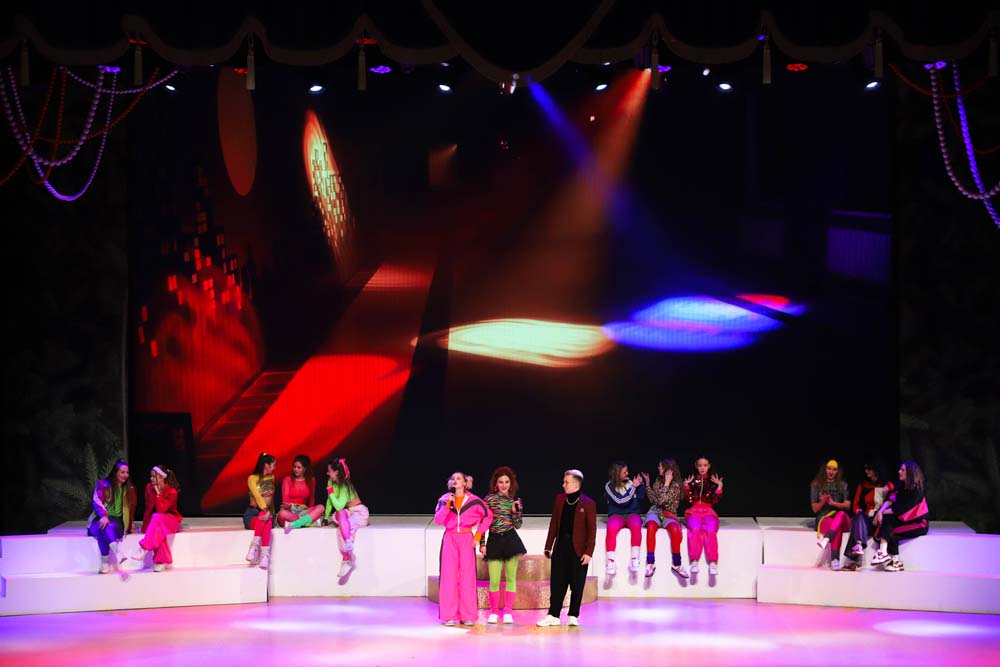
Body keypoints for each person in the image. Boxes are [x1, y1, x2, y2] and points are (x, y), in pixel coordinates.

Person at [537, 469, 596, 628]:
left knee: (577, 584)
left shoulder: (588, 503)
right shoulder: (559, 499)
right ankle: (553, 615)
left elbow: (592, 531)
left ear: (576, 484)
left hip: (578, 550)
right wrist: (548, 546)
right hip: (561, 547)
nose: (563, 485)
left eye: (566, 482)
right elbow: (554, 524)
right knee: (557, 583)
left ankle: (573, 615)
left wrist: (588, 552)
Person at [434, 472, 492, 626]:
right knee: (448, 576)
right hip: (450, 538)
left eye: (458, 478)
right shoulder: (444, 499)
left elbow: (488, 516)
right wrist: (448, 505)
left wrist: (478, 535)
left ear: (465, 483)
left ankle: (468, 615)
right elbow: (438, 520)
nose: (455, 480)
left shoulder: (474, 501)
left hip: (466, 538)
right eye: (453, 479)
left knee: (468, 577)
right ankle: (449, 615)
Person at [480, 466, 526, 624]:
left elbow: (518, 525)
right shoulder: (488, 500)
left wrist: (515, 511)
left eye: (507, 482)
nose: (504, 485)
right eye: (501, 482)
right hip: (494, 541)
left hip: (511, 540)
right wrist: (482, 543)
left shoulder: (515, 500)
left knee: (511, 578)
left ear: (511, 483)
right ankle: (494, 611)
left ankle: (507, 611)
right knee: (494, 580)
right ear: (496, 484)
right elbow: (483, 523)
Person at [872, 461, 929, 572]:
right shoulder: (901, 485)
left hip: (918, 524)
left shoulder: (917, 491)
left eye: (902, 470)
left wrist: (882, 513)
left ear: (910, 473)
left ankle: (890, 557)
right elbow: (891, 499)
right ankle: (890, 557)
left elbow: (900, 509)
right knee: (887, 525)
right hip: (904, 521)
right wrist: (880, 512)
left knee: (890, 532)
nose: (899, 472)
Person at [124, 466, 182, 571]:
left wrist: (158, 494)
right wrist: (145, 525)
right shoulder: (149, 488)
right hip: (156, 521)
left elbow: (161, 510)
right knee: (158, 530)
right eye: (151, 476)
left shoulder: (172, 491)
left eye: (153, 476)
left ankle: (144, 547)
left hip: (171, 520)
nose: (151, 478)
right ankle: (161, 561)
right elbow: (149, 507)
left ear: (161, 478)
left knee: (157, 517)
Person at [842, 461, 894, 570]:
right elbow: (855, 505)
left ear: (876, 469)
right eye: (865, 468)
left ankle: (853, 560)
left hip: (881, 520)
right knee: (858, 517)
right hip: (867, 520)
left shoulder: (888, 485)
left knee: (857, 525)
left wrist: (881, 513)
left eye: (869, 468)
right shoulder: (863, 485)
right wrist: (857, 510)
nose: (866, 471)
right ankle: (859, 545)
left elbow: (893, 503)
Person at [88, 459, 137, 574]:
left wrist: (130, 524)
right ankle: (117, 552)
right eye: (122, 472)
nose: (125, 475)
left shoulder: (129, 489)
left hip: (117, 521)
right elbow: (97, 501)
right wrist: (104, 516)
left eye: (127, 472)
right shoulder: (103, 484)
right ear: (115, 472)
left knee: (104, 528)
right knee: (101, 526)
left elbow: (132, 508)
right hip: (100, 518)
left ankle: (104, 563)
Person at [323, 458, 370, 577]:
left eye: (329, 471)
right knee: (340, 515)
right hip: (349, 512)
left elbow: (338, 506)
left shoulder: (345, 486)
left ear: (336, 472)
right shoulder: (332, 482)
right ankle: (348, 541)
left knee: (341, 529)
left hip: (359, 513)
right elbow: (330, 502)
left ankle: (346, 559)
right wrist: (326, 517)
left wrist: (330, 492)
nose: (327, 473)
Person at [644, 458, 687, 578]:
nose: (658, 468)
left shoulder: (676, 485)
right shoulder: (658, 480)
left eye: (660, 466)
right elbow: (654, 500)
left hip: (669, 513)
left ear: (667, 468)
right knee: (651, 526)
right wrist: (647, 484)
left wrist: (667, 484)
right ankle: (650, 563)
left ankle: (677, 564)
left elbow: (661, 501)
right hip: (655, 512)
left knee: (674, 529)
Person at [603, 461, 647, 575]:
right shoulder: (609, 486)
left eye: (627, 471)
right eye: (624, 472)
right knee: (611, 527)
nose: (627, 473)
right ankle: (611, 561)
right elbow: (620, 501)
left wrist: (641, 485)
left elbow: (640, 497)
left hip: (632, 513)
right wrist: (633, 487)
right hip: (617, 514)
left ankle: (634, 559)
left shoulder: (631, 482)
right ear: (617, 473)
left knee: (636, 525)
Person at [684, 456, 723, 575]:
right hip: (694, 511)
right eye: (700, 465)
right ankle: (694, 561)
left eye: (705, 465)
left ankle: (713, 562)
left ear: (709, 466)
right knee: (695, 528)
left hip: (708, 512)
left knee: (710, 529)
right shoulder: (692, 481)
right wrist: (686, 486)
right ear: (696, 466)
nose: (702, 468)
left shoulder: (712, 482)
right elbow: (690, 500)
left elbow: (714, 500)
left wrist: (719, 487)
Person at [810, 459, 852, 570]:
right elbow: (815, 509)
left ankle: (827, 538)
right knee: (836, 527)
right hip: (824, 518)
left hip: (841, 517)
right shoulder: (816, 484)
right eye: (829, 469)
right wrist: (823, 501)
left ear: (838, 471)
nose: (831, 472)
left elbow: (848, 505)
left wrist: (834, 503)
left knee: (841, 514)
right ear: (824, 469)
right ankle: (835, 560)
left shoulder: (842, 485)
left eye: (834, 470)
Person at [244, 452, 276, 569]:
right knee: (264, 519)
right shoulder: (252, 478)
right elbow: (257, 496)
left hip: (266, 512)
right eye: (273, 465)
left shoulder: (271, 477)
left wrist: (270, 513)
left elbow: (270, 499)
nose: (275, 468)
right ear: (266, 465)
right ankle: (260, 552)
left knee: (266, 520)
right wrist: (266, 510)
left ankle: (258, 551)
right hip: (252, 513)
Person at [279, 455, 325, 533]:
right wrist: (311, 517)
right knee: (282, 514)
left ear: (305, 469)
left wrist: (310, 512)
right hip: (290, 512)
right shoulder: (287, 480)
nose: (295, 469)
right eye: (294, 467)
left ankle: (296, 524)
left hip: (303, 511)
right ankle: (308, 522)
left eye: (299, 467)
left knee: (321, 507)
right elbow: (285, 503)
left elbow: (312, 499)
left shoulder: (311, 480)